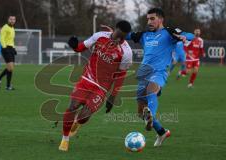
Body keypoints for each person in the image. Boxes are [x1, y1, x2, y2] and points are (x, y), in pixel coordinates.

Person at [59, 20, 133, 152]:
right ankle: (65, 139)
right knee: (72, 107)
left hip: (102, 88)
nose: (120, 39)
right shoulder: (100, 36)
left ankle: (78, 123)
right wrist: (74, 46)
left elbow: (120, 75)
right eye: (119, 35)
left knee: (84, 116)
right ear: (115, 29)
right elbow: (81, 47)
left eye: (123, 37)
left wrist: (113, 96)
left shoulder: (126, 52)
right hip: (86, 80)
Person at [125, 8, 194, 147]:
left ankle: (149, 118)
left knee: (152, 90)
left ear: (160, 19)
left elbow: (190, 35)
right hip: (144, 73)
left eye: (152, 18)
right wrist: (114, 34)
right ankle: (162, 132)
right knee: (140, 111)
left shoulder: (169, 32)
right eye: (148, 19)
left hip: (160, 72)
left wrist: (185, 37)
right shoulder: (144, 34)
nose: (149, 21)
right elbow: (127, 36)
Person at [0, 15, 17, 90]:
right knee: (10, 67)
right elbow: (2, 38)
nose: (12, 20)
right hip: (6, 48)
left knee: (10, 68)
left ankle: (0, 80)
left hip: (11, 48)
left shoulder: (13, 28)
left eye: (13, 19)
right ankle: (6, 84)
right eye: (11, 19)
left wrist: (14, 48)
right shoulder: (5, 27)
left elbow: (11, 40)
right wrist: (4, 48)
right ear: (8, 20)